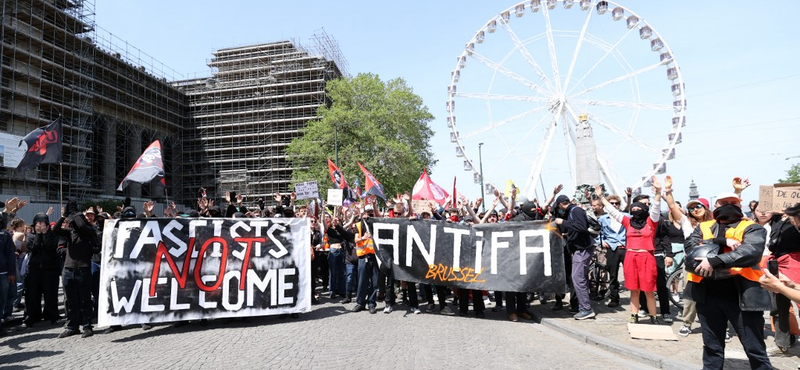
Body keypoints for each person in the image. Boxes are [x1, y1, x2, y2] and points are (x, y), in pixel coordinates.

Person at [684, 192, 771, 370]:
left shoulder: (752, 228)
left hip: (742, 294)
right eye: (724, 203)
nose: (729, 205)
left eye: (733, 202)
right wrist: (722, 240)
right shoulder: (703, 227)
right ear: (715, 206)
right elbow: (691, 247)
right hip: (707, 293)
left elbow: (750, 252)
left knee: (754, 346)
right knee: (711, 346)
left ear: (740, 206)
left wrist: (714, 260)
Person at [595, 177, 662, 324]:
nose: (636, 211)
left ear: (645, 210)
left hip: (646, 258)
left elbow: (656, 207)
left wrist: (658, 192)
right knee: (634, 289)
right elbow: (613, 211)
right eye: (634, 209)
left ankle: (653, 316)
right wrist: (601, 198)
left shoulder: (651, 222)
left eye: (639, 209)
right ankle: (634, 315)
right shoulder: (627, 222)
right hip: (630, 255)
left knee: (649, 290)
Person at [54, 200, 98, 338]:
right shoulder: (69, 233)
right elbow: (55, 230)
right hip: (68, 270)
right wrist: (63, 216)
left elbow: (81, 225)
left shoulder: (89, 231)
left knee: (85, 300)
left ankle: (87, 326)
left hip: (83, 270)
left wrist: (74, 213)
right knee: (71, 301)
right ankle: (72, 326)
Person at [554, 192, 596, 320]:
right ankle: (584, 306)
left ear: (561, 204)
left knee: (577, 278)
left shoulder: (575, 211)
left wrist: (563, 222)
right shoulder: (573, 211)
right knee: (579, 278)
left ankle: (586, 309)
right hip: (579, 249)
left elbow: (581, 227)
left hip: (583, 249)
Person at [23, 213, 61, 328]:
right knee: (32, 295)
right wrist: (38, 234)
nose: (40, 225)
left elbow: (51, 247)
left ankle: (52, 316)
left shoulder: (53, 235)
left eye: (43, 223)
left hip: (50, 269)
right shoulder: (30, 236)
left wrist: (44, 234)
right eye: (38, 223)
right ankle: (31, 317)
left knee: (50, 294)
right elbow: (34, 248)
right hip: (34, 269)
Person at [597, 194, 627, 308]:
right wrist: (602, 241)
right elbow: (597, 232)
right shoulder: (603, 219)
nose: (614, 205)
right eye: (612, 203)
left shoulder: (626, 216)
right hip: (612, 249)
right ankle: (614, 298)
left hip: (625, 247)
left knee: (629, 274)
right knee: (613, 275)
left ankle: (637, 298)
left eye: (616, 203)